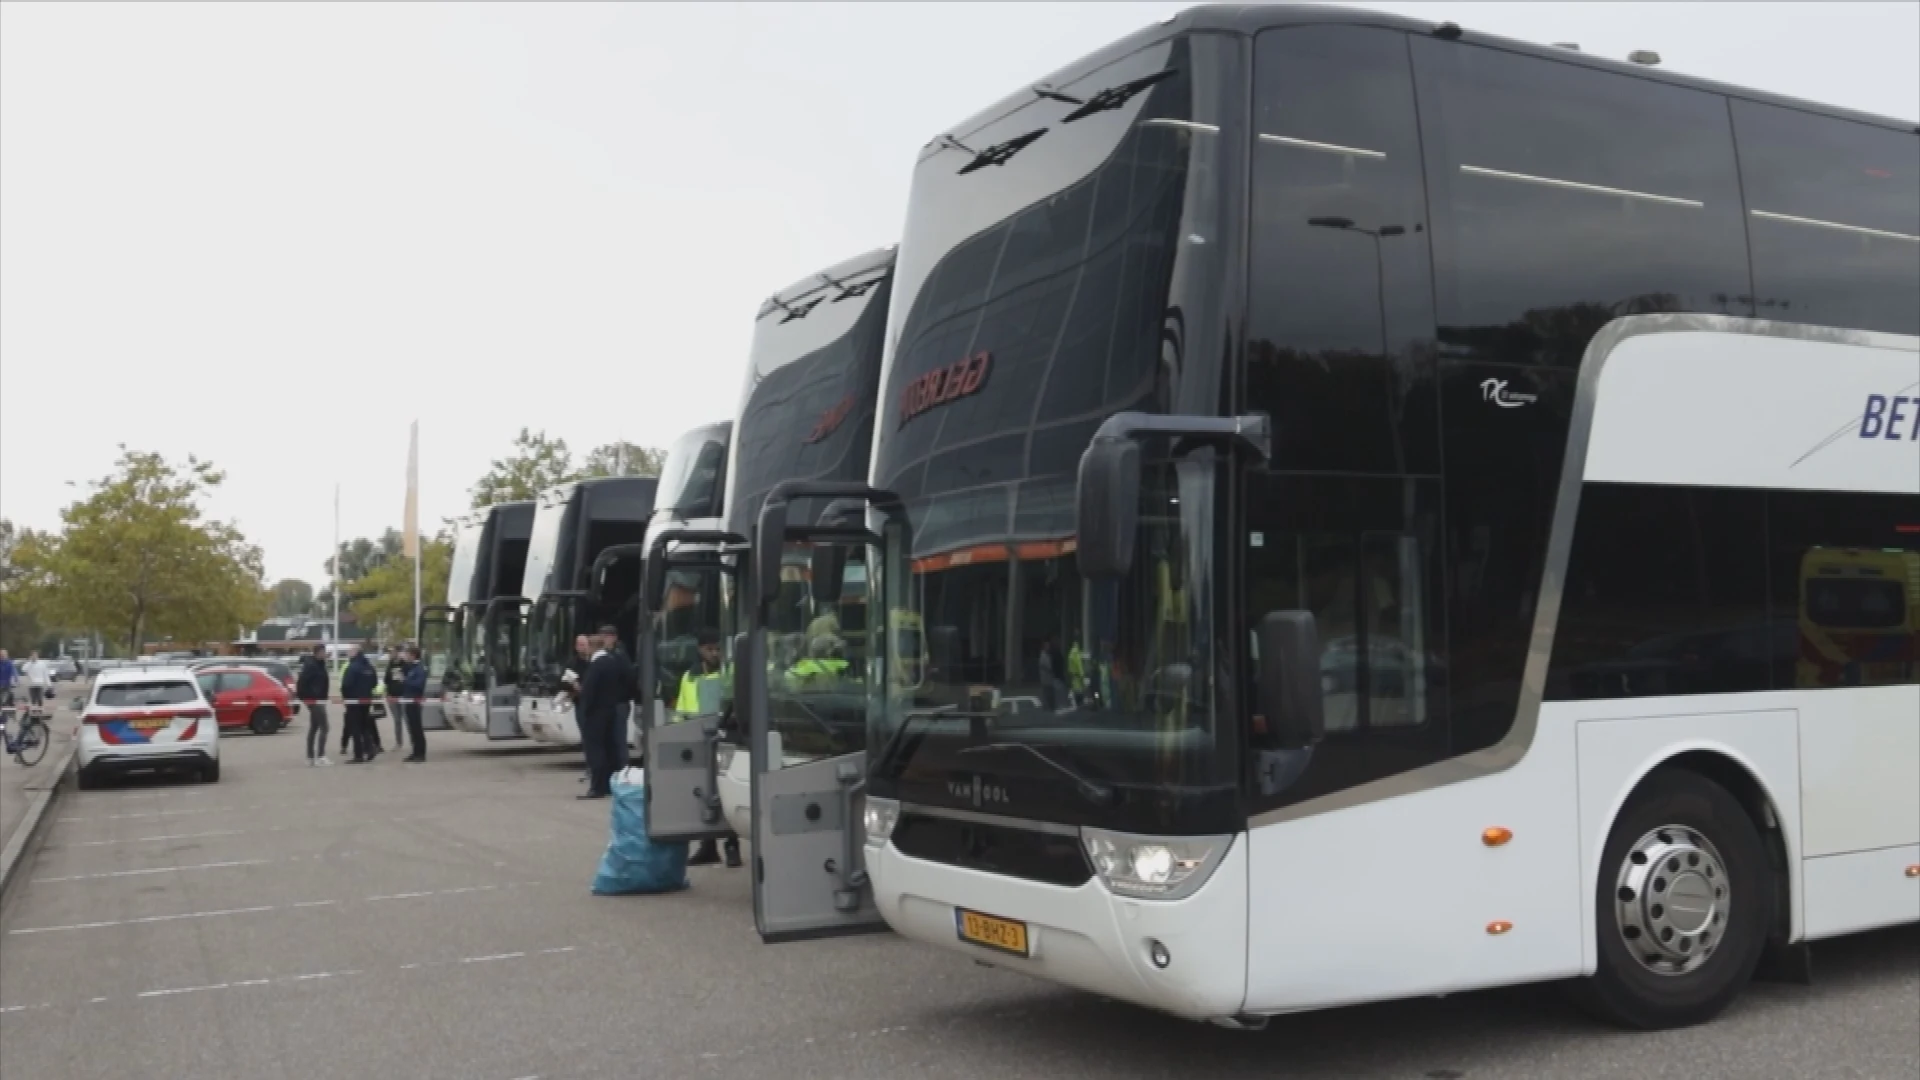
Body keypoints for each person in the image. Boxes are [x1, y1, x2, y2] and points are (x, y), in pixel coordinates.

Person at [679, 630, 741, 869]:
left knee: (726, 793)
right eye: (709, 649)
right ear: (700, 650)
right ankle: (708, 847)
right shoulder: (690, 676)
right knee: (704, 793)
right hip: (699, 739)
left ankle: (732, 846)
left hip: (726, 737)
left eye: (717, 649)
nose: (714, 654)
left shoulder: (730, 672)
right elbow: (682, 710)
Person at [576, 625, 634, 799]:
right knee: (610, 748)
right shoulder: (613, 662)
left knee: (595, 750)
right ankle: (609, 784)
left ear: (593, 647)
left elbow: (589, 692)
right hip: (610, 710)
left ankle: (597, 787)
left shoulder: (596, 665)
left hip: (596, 714)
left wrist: (585, 710)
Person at [341, 644, 380, 764]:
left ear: (355, 652)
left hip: (354, 701)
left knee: (355, 728)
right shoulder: (369, 666)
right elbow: (374, 683)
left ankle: (358, 755)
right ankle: (370, 748)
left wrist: (346, 698)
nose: (348, 653)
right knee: (364, 726)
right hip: (366, 700)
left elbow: (346, 684)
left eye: (350, 651)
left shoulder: (353, 667)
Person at [297, 644, 333, 766]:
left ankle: (310, 757)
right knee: (325, 727)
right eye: (323, 652)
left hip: (319, 699)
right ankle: (321, 756)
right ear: (318, 652)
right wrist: (306, 697)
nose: (325, 654)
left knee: (314, 727)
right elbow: (302, 682)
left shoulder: (320, 664)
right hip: (314, 700)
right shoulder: (311, 666)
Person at [399, 645, 428, 762]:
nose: (406, 656)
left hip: (415, 701)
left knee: (417, 728)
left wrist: (405, 680)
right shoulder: (411, 667)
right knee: (412, 728)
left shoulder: (419, 668)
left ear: (413, 655)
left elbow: (419, 685)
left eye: (407, 654)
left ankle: (421, 753)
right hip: (409, 700)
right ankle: (415, 752)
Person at [384, 646, 409, 753]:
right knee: (397, 720)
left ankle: (413, 741)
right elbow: (386, 680)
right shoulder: (390, 664)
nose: (391, 654)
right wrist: (388, 693)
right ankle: (398, 743)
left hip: (403, 696)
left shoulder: (404, 665)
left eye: (392, 652)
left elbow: (408, 678)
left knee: (407, 719)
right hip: (392, 696)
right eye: (390, 653)